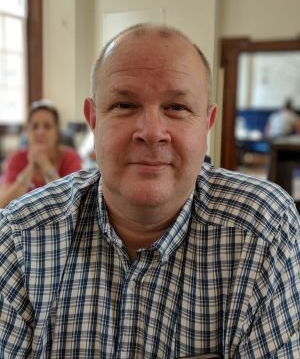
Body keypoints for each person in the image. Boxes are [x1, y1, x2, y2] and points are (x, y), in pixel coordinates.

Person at [0, 24, 299, 358]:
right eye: (125, 105)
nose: (152, 132)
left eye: (177, 107)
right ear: (93, 119)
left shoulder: (263, 231)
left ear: (207, 123)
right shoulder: (20, 236)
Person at [0, 99, 82, 208]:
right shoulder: (16, 158)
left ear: (57, 132)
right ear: (27, 132)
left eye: (47, 126)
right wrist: (30, 168)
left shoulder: (70, 157)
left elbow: (72, 203)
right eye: (34, 126)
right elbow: (2, 203)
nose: (40, 132)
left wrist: (45, 166)